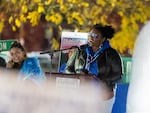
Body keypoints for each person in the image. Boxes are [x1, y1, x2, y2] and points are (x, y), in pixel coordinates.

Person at [65, 24, 123, 113]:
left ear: (103, 39)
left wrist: (101, 81)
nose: (91, 38)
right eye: (90, 35)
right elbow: (68, 68)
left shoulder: (111, 54)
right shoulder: (80, 51)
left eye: (95, 36)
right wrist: (77, 77)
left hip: (103, 94)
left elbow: (118, 75)